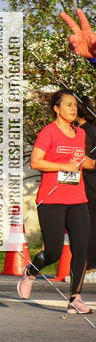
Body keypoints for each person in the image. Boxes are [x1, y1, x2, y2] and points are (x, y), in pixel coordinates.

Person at [17, 90, 94, 314]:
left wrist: (93, 163)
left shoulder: (80, 134)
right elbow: (35, 162)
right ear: (56, 109)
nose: (73, 108)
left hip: (78, 198)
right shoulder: (48, 133)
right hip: (51, 199)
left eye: (75, 105)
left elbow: (82, 162)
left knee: (81, 249)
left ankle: (75, 298)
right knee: (54, 252)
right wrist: (63, 166)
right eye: (68, 105)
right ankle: (31, 272)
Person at [74, 96, 96, 283]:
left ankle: (89, 268)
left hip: (88, 185)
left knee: (87, 227)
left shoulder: (83, 132)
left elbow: (83, 160)